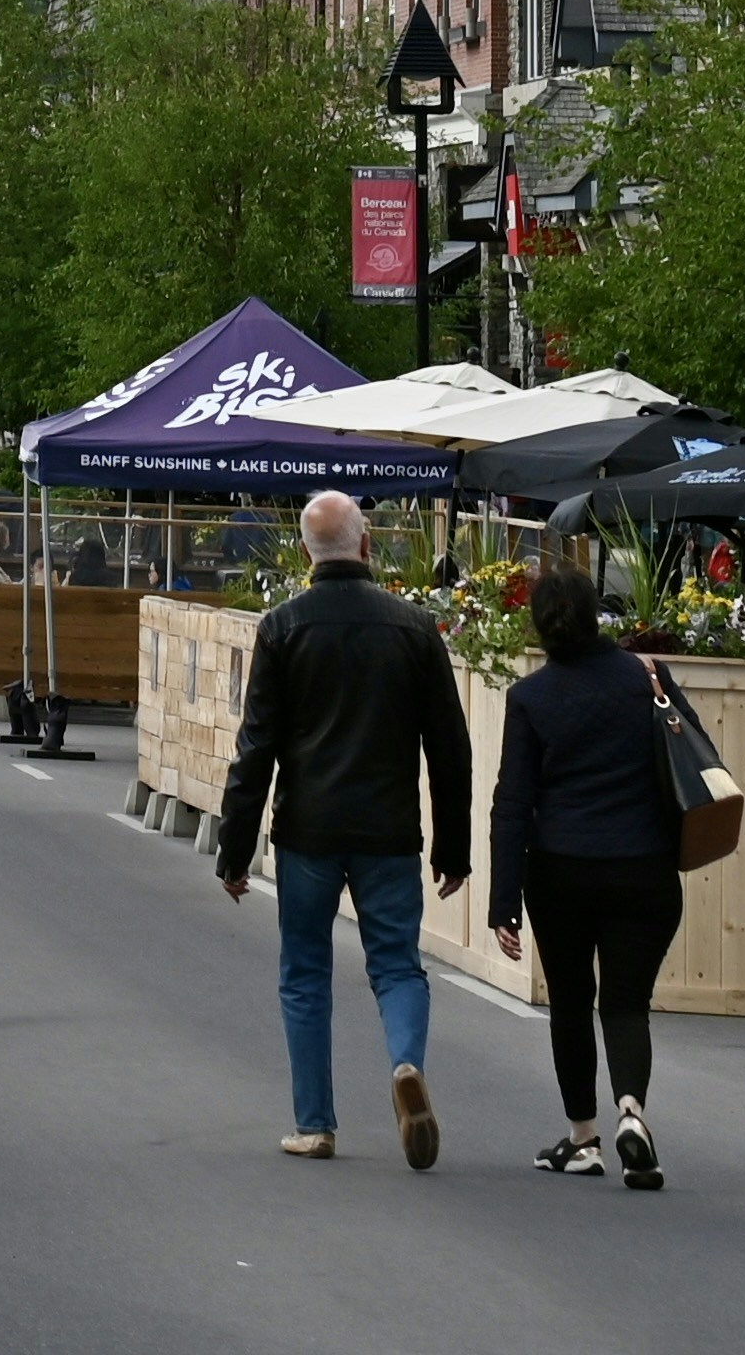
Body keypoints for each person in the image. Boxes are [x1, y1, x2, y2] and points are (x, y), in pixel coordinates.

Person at [212, 489, 475, 1169]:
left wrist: (234, 851)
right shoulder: (415, 629)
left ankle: (315, 1124)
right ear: (367, 545)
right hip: (390, 830)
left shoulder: (282, 628)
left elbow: (256, 748)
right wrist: (454, 849)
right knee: (397, 967)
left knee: (304, 972)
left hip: (308, 831)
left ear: (305, 553)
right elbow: (450, 748)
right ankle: (404, 1065)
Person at [487, 564, 688, 1188]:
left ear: (539, 624)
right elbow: (693, 753)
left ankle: (583, 1139)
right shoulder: (647, 676)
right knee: (626, 1002)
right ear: (598, 612)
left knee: (570, 1002)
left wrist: (503, 902)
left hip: (561, 870)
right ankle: (632, 1110)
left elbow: (512, 803)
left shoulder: (531, 698)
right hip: (645, 868)